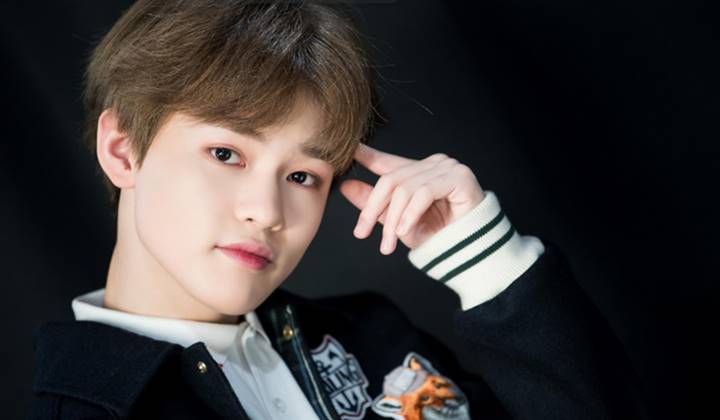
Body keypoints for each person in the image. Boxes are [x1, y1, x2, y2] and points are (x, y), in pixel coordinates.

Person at [29, 1, 649, 419]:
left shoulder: (371, 337)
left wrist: (490, 264)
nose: (266, 211)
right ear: (123, 150)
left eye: (302, 176)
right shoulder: (92, 408)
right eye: (225, 153)